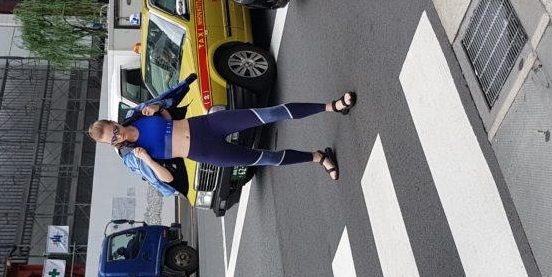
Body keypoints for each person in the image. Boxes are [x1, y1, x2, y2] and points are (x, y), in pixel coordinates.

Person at [88, 91, 357, 182]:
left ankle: (333, 106)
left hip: (205, 126)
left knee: (270, 113)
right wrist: (147, 159)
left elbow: (170, 118)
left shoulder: (137, 115)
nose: (117, 135)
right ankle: (318, 157)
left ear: (114, 122)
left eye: (114, 130)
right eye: (112, 140)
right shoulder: (132, 157)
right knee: (266, 158)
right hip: (204, 153)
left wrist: (158, 109)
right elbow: (168, 178)